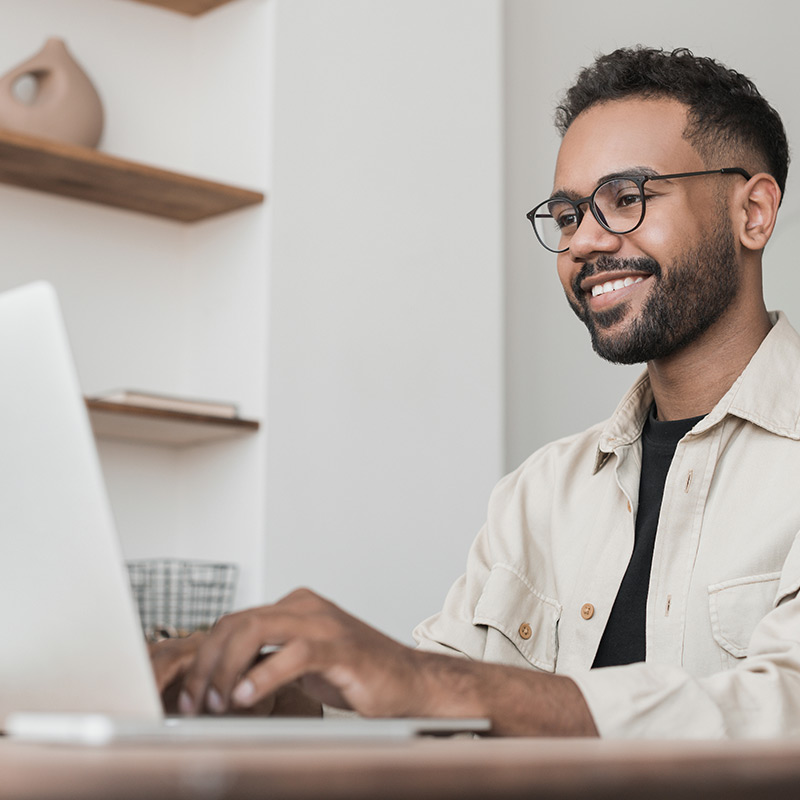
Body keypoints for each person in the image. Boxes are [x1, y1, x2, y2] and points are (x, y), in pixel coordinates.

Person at [151, 46, 800, 738]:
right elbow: (425, 714)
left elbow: (780, 711)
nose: (583, 242)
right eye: (568, 215)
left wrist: (434, 683)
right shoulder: (539, 494)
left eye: (625, 199)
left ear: (753, 212)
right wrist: (263, 690)